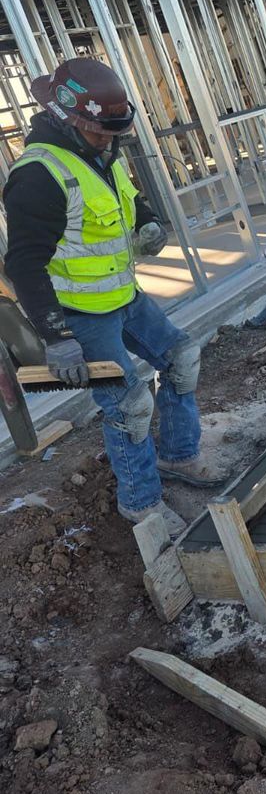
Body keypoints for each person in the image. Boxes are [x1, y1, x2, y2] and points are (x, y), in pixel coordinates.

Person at [3, 58, 226, 536]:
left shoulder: (101, 150)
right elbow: (22, 265)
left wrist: (146, 221)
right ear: (68, 120)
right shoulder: (38, 176)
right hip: (80, 312)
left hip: (123, 295)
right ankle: (141, 504)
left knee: (182, 357)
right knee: (128, 404)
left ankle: (179, 456)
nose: (110, 139)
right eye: (101, 132)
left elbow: (126, 195)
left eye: (113, 131)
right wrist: (56, 337)